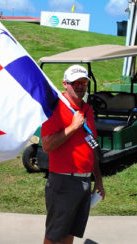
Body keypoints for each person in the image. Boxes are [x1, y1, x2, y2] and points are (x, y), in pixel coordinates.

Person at [41, 65, 105, 244]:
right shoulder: (55, 108)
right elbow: (47, 145)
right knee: (54, 235)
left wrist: (98, 179)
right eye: (75, 82)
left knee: (70, 233)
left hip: (84, 181)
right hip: (63, 182)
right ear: (65, 84)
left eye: (83, 82)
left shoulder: (88, 110)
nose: (80, 86)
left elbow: (92, 146)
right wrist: (73, 127)